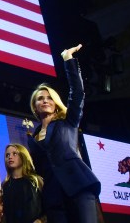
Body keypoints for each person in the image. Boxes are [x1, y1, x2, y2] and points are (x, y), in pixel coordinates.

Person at [28, 44, 101, 223]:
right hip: (54, 198)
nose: (45, 100)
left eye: (49, 97)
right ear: (35, 106)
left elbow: (77, 92)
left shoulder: (68, 121)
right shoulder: (33, 138)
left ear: (55, 102)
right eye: (40, 98)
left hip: (78, 187)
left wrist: (68, 59)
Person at [0, 143, 45, 223]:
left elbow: (49, 206)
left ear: (23, 156)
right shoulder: (5, 185)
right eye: (7, 155)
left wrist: (41, 220)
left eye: (14, 154)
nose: (10, 157)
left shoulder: (36, 181)